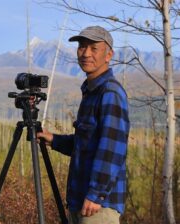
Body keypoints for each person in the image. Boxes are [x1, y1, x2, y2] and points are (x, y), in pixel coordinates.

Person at [37, 26, 130, 224]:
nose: (86, 53)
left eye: (93, 48)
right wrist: (53, 140)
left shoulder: (110, 93)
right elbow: (86, 144)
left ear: (109, 55)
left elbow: (111, 151)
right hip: (81, 200)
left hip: (97, 207)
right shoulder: (91, 91)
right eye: (81, 47)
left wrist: (96, 194)